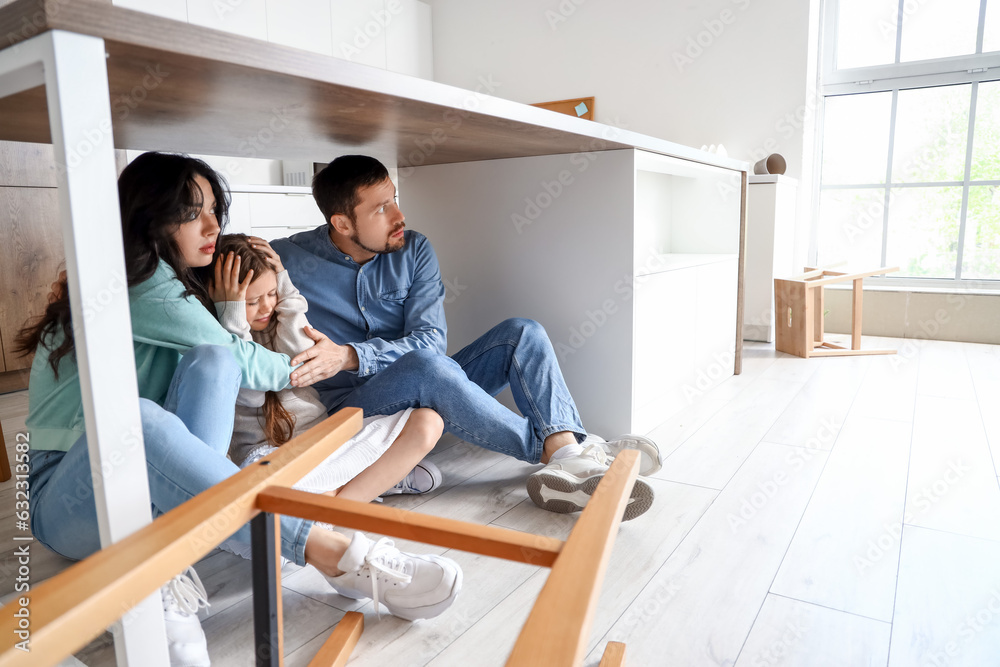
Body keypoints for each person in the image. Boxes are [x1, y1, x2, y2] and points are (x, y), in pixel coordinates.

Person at [16, 153, 461, 666]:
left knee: (211, 362)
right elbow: (250, 361)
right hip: (67, 498)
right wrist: (317, 364)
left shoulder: (177, 284)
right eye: (190, 213)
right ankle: (335, 555)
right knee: (140, 417)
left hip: (151, 496)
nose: (212, 225)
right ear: (149, 219)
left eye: (214, 211)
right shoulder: (138, 286)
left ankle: (168, 558)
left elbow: (229, 352)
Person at [272, 155, 662, 522]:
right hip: (351, 405)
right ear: (341, 224)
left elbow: (430, 341)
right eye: (380, 209)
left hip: (429, 382)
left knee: (523, 332)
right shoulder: (286, 259)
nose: (398, 215)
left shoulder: (414, 249)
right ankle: (568, 451)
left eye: (394, 199)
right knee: (428, 368)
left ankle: (568, 451)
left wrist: (351, 355)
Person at [209, 233, 444, 503]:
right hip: (271, 459)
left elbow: (302, 361)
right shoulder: (219, 337)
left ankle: (335, 499)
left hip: (324, 441)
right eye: (251, 302)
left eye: (272, 293)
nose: (266, 307)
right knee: (265, 485)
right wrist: (233, 320)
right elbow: (252, 393)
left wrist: (284, 283)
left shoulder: (281, 319)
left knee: (427, 422)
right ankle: (353, 493)